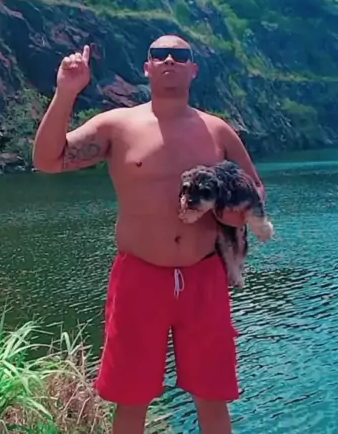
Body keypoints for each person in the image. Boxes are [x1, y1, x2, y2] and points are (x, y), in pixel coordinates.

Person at [33, 35, 266, 434]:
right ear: (147, 68)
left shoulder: (218, 130)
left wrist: (234, 214)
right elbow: (47, 160)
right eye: (159, 54)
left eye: (180, 55)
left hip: (204, 277)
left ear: (193, 69)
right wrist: (66, 92)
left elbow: (255, 188)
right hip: (139, 278)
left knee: (213, 395)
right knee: (131, 397)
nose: (169, 59)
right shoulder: (117, 125)